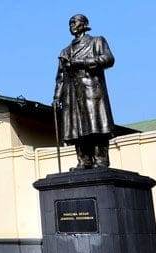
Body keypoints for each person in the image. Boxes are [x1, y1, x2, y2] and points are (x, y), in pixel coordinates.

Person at [53, 14, 116, 169]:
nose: (72, 25)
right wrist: (56, 97)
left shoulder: (97, 41)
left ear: (85, 24)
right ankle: (83, 160)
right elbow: (60, 77)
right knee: (77, 128)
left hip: (91, 90)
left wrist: (83, 62)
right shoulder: (65, 52)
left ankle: (100, 159)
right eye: (70, 23)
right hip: (71, 93)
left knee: (96, 126)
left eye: (75, 22)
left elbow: (108, 59)